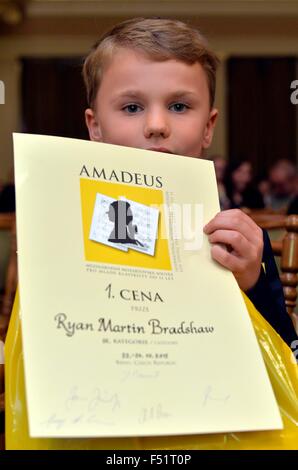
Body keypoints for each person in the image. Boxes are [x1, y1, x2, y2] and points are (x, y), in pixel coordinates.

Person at [83, 17, 297, 347]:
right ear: (95, 126)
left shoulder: (237, 239)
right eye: (132, 107)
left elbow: (286, 358)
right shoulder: (68, 229)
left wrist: (253, 283)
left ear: (208, 127)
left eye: (179, 106)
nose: (156, 125)